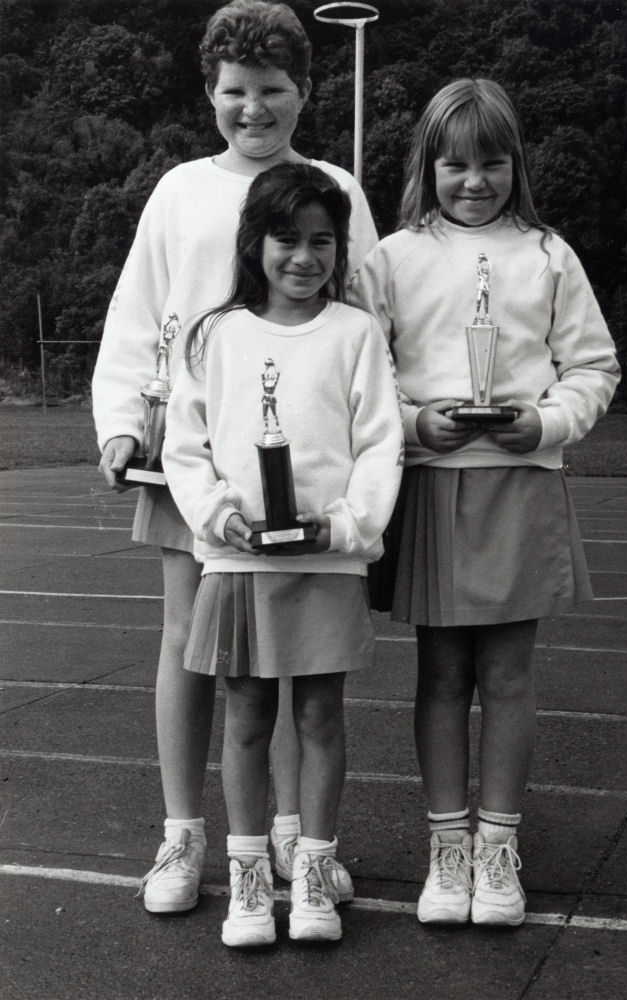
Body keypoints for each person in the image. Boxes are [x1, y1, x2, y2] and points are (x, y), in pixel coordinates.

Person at [91, 0, 378, 916]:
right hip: (196, 458)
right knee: (191, 640)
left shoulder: (332, 183)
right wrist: (119, 424)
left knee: (293, 653)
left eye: (274, 91)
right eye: (235, 91)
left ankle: (294, 833)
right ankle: (183, 835)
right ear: (210, 91)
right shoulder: (179, 190)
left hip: (307, 462)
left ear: (305, 91)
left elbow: (373, 308)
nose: (254, 109)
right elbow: (138, 314)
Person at [351, 78, 620, 928]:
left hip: (519, 482)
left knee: (506, 674)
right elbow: (361, 378)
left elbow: (595, 368)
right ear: (427, 167)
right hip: (431, 483)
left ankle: (498, 848)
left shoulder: (548, 254)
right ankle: (449, 846)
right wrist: (412, 424)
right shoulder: (391, 257)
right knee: (441, 675)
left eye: (492, 164)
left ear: (516, 165)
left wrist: (542, 423)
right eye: (455, 165)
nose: (474, 181)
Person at [161, 162, 403, 945]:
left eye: (322, 241)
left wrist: (347, 523)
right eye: (286, 239)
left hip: (326, 558)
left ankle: (314, 877)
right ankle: (248, 883)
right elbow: (186, 448)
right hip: (238, 563)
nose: (304, 257)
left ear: (341, 248)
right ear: (254, 243)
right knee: (247, 717)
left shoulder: (356, 333)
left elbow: (379, 445)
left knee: (322, 715)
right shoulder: (216, 334)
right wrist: (217, 515)